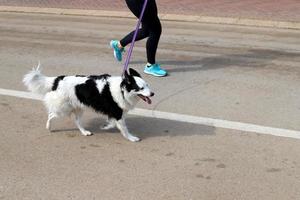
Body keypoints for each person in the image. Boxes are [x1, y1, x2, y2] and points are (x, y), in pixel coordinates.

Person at [110, 0, 167, 77]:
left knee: (146, 30)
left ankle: (119, 44)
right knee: (155, 30)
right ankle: (150, 65)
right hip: (137, 2)